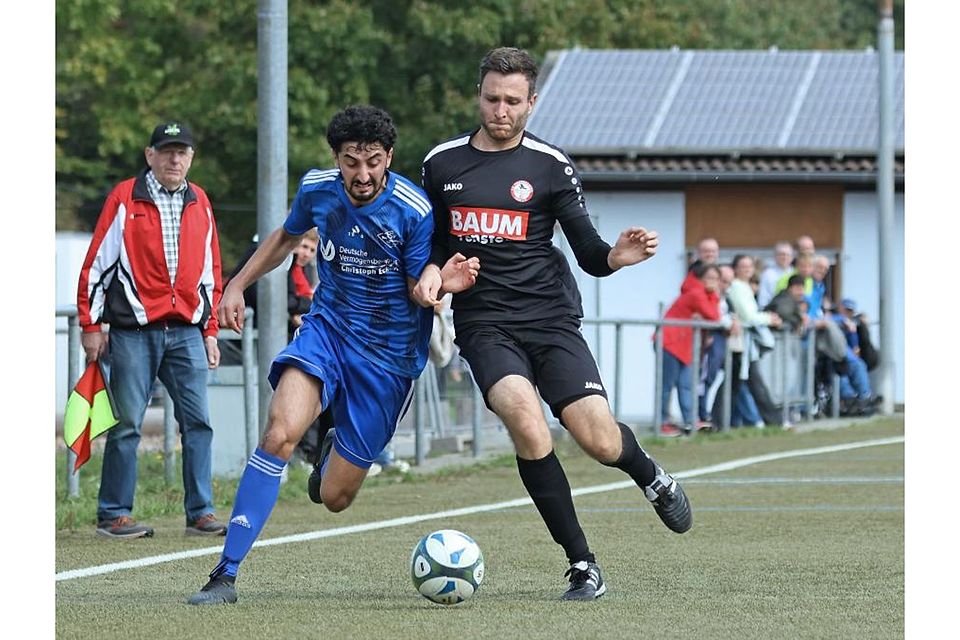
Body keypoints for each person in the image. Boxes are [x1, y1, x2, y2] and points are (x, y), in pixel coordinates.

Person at [413, 47, 692, 602]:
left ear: (531, 103)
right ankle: (583, 564)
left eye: (512, 101)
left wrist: (616, 256)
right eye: (492, 98)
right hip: (486, 323)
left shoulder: (550, 165)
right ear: (480, 95)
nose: (500, 110)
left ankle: (650, 475)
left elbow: (588, 251)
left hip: (550, 319)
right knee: (526, 419)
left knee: (599, 439)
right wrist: (433, 279)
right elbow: (432, 246)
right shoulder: (441, 163)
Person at [186, 105, 479, 605]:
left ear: (389, 157)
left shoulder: (413, 208)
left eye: (372, 162)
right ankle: (225, 574)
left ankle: (334, 446)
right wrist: (235, 285)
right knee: (278, 434)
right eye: (350, 162)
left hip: (388, 357)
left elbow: (416, 286)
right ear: (336, 158)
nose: (362, 175)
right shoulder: (318, 188)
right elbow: (285, 236)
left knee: (334, 498)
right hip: (329, 329)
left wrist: (439, 287)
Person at [76, 121, 225, 539]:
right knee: (127, 424)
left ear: (191, 158)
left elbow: (211, 272)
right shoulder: (126, 197)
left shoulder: (201, 201)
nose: (175, 159)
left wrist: (210, 330)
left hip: (187, 332)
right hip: (132, 333)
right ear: (150, 156)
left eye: (182, 152)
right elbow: (97, 264)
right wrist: (91, 324)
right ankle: (114, 514)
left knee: (199, 424)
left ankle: (201, 512)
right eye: (167, 151)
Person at [657, 263, 721, 436]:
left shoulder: (703, 294)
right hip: (670, 342)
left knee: (686, 385)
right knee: (666, 386)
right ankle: (661, 422)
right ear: (700, 278)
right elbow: (715, 316)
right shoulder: (696, 293)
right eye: (709, 278)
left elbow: (711, 316)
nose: (713, 282)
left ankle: (690, 421)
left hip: (685, 345)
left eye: (716, 279)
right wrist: (715, 295)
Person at [725, 254, 785, 427]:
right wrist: (769, 318)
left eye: (749, 265)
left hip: (746, 343)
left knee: (739, 384)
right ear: (736, 268)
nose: (747, 269)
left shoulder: (744, 286)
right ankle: (773, 421)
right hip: (742, 342)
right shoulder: (737, 286)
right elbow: (749, 316)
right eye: (743, 266)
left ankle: (729, 421)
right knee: (744, 384)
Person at [757, 241, 794, 308]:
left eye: (787, 255)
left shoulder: (795, 272)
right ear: (775, 256)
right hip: (773, 310)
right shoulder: (767, 274)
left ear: (791, 257)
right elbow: (763, 299)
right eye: (781, 254)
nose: (784, 257)